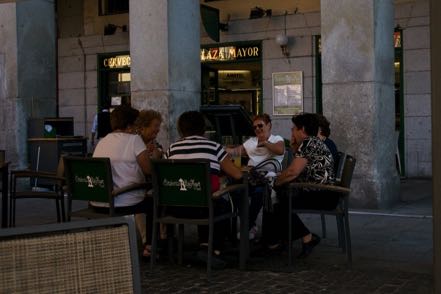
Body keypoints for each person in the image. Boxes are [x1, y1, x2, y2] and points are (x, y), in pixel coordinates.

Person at [165, 110, 242, 258]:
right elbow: (237, 174)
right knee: (223, 203)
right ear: (203, 128)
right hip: (205, 208)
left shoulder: (172, 149)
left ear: (181, 129)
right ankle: (215, 248)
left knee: (200, 194)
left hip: (175, 208)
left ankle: (204, 245)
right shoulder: (213, 147)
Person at [265, 113, 336, 258]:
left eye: (293, 129)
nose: (291, 131)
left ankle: (304, 237)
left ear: (302, 129)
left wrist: (276, 182)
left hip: (323, 195)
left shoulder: (309, 143)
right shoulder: (313, 142)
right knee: (279, 199)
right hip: (322, 193)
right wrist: (294, 146)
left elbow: (292, 171)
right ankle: (280, 241)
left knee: (280, 204)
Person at [92, 104, 155, 259]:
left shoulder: (102, 141)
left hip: (98, 200)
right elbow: (148, 170)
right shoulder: (134, 140)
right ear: (129, 126)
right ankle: (150, 246)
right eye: (135, 125)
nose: (136, 129)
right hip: (123, 200)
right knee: (154, 202)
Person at [225, 113, 285, 240]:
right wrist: (222, 149)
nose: (257, 129)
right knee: (234, 190)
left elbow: (280, 150)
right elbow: (236, 152)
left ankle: (246, 227)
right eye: (255, 127)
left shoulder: (276, 139)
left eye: (260, 125)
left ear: (269, 125)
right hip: (250, 178)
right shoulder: (251, 142)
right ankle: (250, 225)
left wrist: (265, 143)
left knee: (259, 192)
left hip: (268, 180)